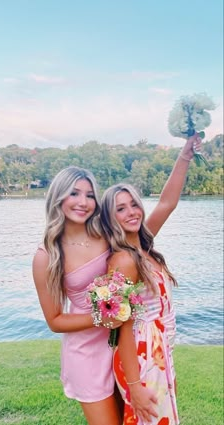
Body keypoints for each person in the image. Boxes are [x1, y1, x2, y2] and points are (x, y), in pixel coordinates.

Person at [100, 133, 202, 425]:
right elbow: (120, 329)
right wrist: (135, 387)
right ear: (109, 218)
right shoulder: (123, 260)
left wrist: (185, 156)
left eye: (133, 204)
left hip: (158, 350)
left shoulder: (141, 244)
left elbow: (168, 203)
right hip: (141, 359)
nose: (131, 212)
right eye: (120, 208)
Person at [32, 166, 123, 425]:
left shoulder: (108, 235)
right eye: (74, 193)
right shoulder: (47, 255)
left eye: (90, 195)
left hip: (122, 345)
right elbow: (55, 320)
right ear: (58, 197)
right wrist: (104, 317)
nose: (83, 202)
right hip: (86, 355)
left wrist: (185, 155)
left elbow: (162, 209)